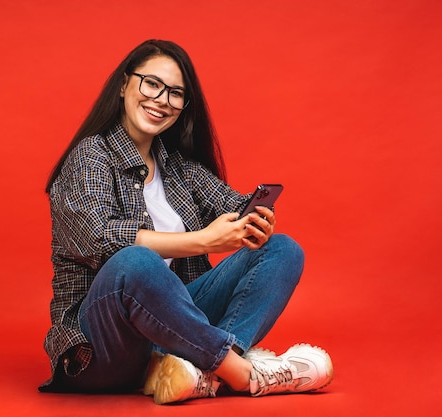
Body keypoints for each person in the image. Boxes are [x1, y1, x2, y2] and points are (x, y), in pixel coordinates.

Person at [39, 39, 333, 405]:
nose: (162, 100)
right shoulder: (91, 155)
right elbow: (100, 240)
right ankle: (240, 373)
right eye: (152, 84)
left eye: (176, 93)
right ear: (123, 85)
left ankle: (198, 373)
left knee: (282, 249)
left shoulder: (178, 168)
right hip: (103, 344)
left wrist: (255, 222)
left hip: (172, 335)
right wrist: (205, 241)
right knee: (136, 261)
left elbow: (235, 205)